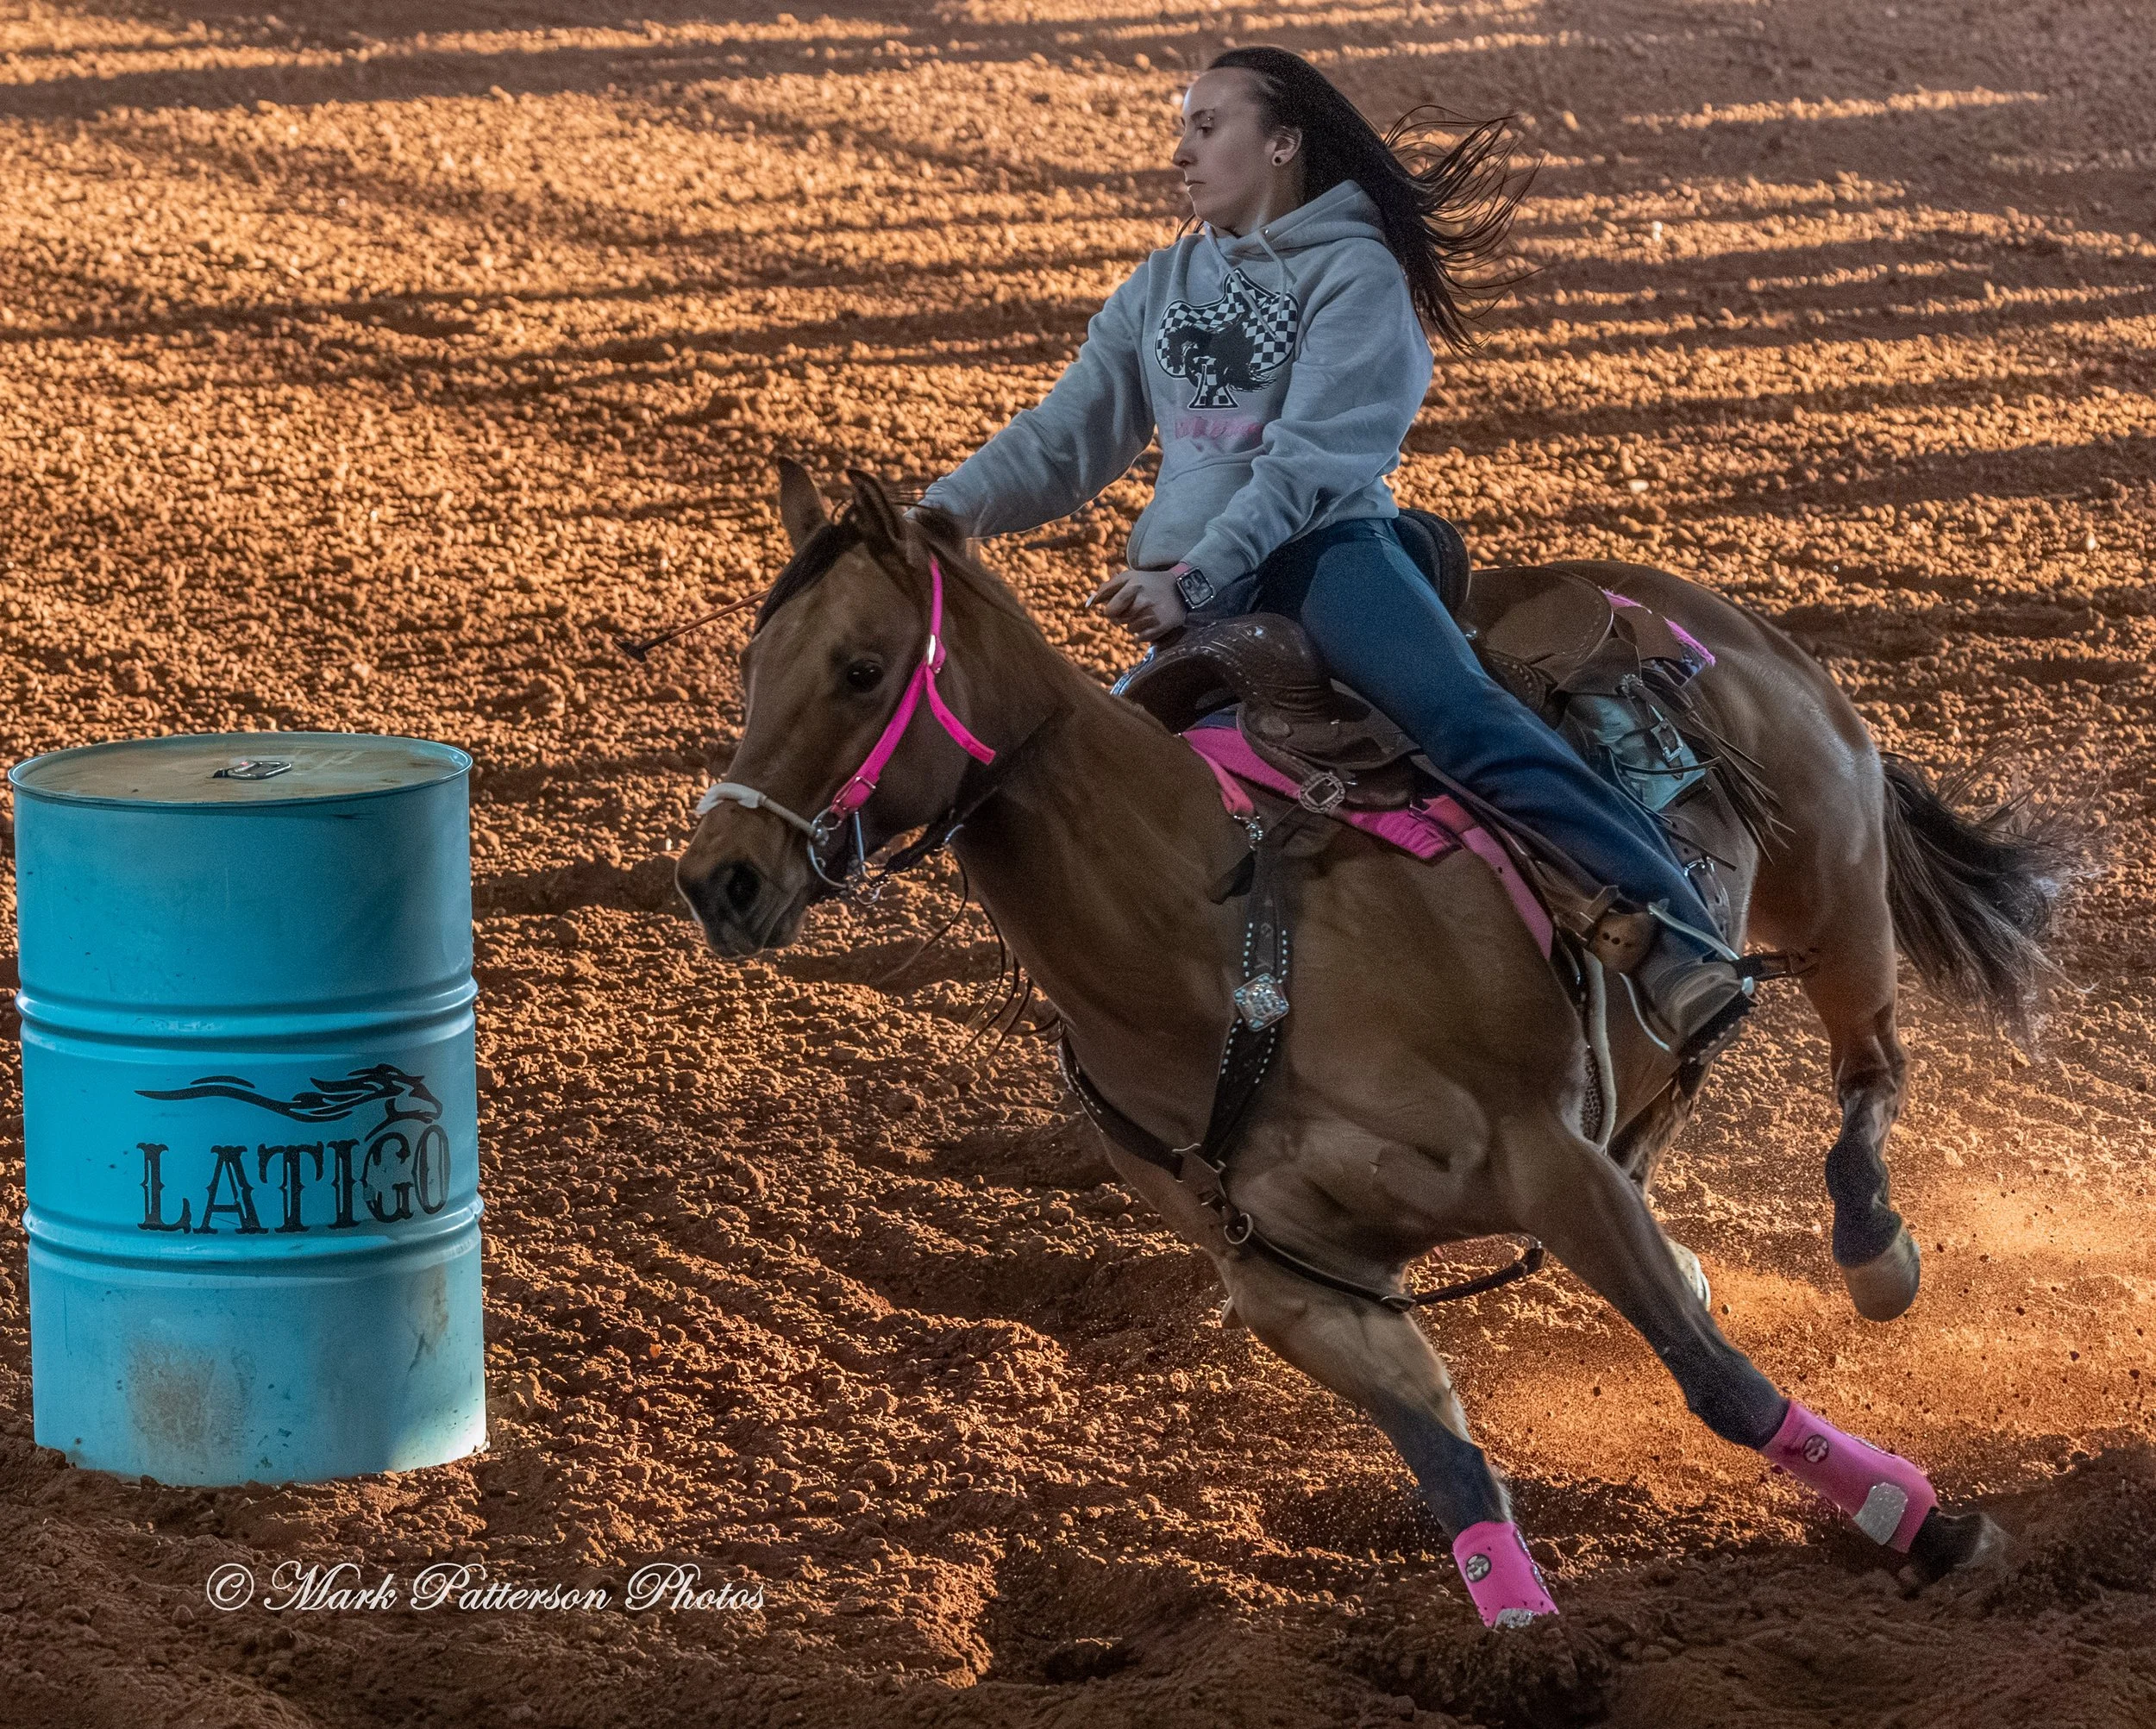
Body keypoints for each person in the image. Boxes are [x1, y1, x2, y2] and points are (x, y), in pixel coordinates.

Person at [914, 46, 1749, 1064]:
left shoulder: (1355, 274)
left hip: (1325, 559)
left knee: (1460, 717)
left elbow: (1307, 463)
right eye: (1181, 128)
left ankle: (1678, 937)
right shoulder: (1160, 285)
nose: (1180, 152)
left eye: (1206, 126)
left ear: (1282, 142)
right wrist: (940, 515)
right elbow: (1064, 436)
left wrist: (1194, 577)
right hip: (1191, 590)